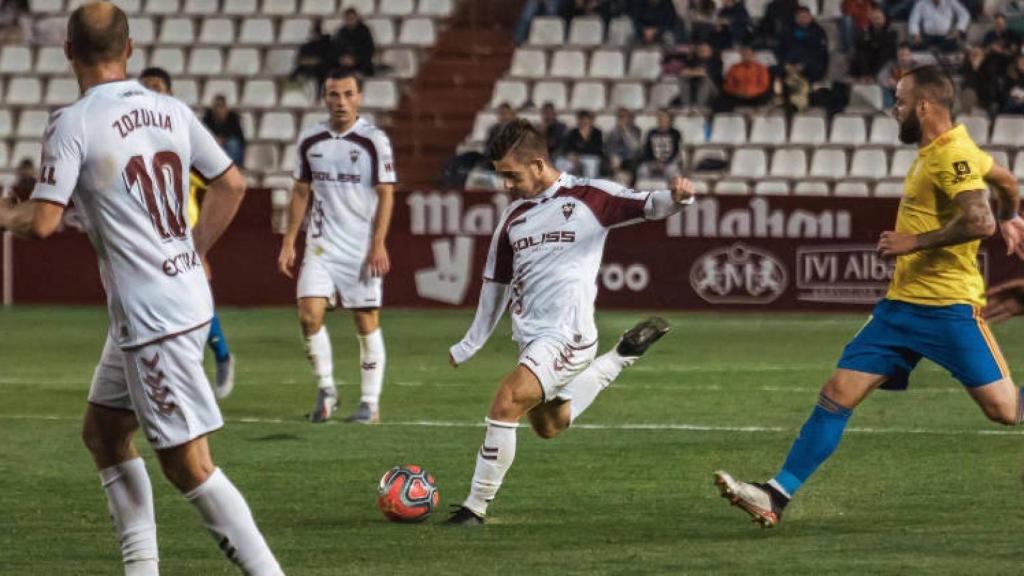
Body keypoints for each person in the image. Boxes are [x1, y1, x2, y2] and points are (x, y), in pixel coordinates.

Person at [0, 3, 283, 574]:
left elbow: (45, 222)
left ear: (68, 52)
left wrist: (7, 214)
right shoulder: (170, 109)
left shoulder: (72, 121)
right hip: (174, 300)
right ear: (129, 50)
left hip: (154, 315)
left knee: (188, 465)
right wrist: (194, 249)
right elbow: (231, 183)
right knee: (104, 434)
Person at [714, 66, 1024, 528]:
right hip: (899, 310)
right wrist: (1014, 215)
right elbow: (1004, 180)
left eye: (899, 101)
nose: (892, 108)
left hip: (946, 308)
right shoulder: (953, 152)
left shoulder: (951, 153)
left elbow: (978, 221)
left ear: (924, 106)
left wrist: (913, 242)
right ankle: (774, 496)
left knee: (1005, 411)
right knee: (837, 394)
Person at [444, 119, 695, 526]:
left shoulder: (590, 197)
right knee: (549, 425)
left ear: (539, 164)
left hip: (568, 337)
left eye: (512, 175)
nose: (505, 185)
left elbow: (648, 203)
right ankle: (621, 357)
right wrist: (471, 343)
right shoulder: (513, 219)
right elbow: (496, 284)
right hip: (533, 340)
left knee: (506, 400)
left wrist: (679, 199)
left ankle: (475, 507)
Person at [277, 69, 396, 424]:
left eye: (347, 94)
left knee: (365, 320)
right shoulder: (310, 140)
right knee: (308, 314)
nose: (341, 102)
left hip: (360, 249)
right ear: (324, 97)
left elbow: (386, 194)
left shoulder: (374, 141)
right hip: (321, 245)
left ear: (359, 97)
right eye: (333, 94)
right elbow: (301, 190)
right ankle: (327, 389)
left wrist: (378, 244)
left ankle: (370, 402)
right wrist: (288, 240)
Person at [140, 66, 236, 398]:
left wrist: (201, 241)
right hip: (149, 237)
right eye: (146, 87)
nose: (152, 92)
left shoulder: (183, 137)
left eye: (157, 86)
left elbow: (221, 183)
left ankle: (220, 357)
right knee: (158, 304)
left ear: (169, 91)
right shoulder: (133, 141)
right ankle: (173, 377)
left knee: (195, 303)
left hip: (185, 237)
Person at [714, 44, 771, 111]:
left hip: (756, 96)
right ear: (741, 56)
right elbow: (728, 85)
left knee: (766, 96)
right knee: (721, 100)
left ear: (753, 55)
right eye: (744, 54)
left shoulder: (761, 68)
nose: (747, 56)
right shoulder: (734, 68)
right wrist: (738, 93)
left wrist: (751, 92)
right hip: (738, 95)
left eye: (749, 54)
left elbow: (763, 85)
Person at [850, 7, 898, 79]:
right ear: (871, 20)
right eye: (874, 19)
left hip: (884, 61)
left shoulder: (891, 31)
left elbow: (888, 50)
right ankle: (865, 74)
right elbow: (861, 48)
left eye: (879, 18)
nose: (877, 21)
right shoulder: (866, 30)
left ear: (884, 18)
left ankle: (874, 75)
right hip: (870, 61)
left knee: (884, 52)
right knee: (862, 51)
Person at [555, 109, 605, 178]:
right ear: (579, 120)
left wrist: (579, 155)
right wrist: (571, 155)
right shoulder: (573, 132)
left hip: (591, 158)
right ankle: (563, 184)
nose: (584, 121)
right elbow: (567, 147)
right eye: (582, 119)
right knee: (560, 162)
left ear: (590, 120)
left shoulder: (597, 132)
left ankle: (589, 185)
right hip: (574, 158)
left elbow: (597, 149)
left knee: (591, 164)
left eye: (586, 119)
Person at [637, 109, 683, 181]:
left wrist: (665, 163)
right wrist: (653, 162)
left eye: (664, 118)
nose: (662, 120)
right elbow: (647, 150)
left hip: (669, 163)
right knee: (642, 170)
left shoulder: (675, 133)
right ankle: (646, 191)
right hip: (653, 162)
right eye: (660, 118)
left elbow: (676, 151)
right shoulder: (651, 133)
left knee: (672, 172)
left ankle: (670, 191)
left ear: (670, 120)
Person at [202, 95, 246, 168]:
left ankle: (233, 168)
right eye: (216, 106)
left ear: (226, 108)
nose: (218, 109)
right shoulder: (207, 117)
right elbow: (203, 134)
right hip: (214, 144)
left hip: (229, 146)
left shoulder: (233, 117)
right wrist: (216, 139)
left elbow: (240, 137)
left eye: (221, 106)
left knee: (233, 144)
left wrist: (224, 139)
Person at [332, 8, 375, 78]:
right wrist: (342, 59)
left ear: (356, 18)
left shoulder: (364, 31)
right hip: (344, 66)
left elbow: (369, 49)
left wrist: (355, 59)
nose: (350, 20)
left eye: (352, 18)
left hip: (361, 65)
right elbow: (335, 49)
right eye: (348, 18)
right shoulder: (341, 32)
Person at [605, 107, 643, 183]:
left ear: (629, 118)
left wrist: (625, 130)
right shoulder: (613, 131)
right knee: (610, 162)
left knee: (632, 162)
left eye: (623, 117)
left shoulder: (635, 130)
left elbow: (635, 147)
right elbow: (609, 147)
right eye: (619, 117)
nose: (621, 119)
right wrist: (613, 156)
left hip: (629, 158)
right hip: (616, 159)